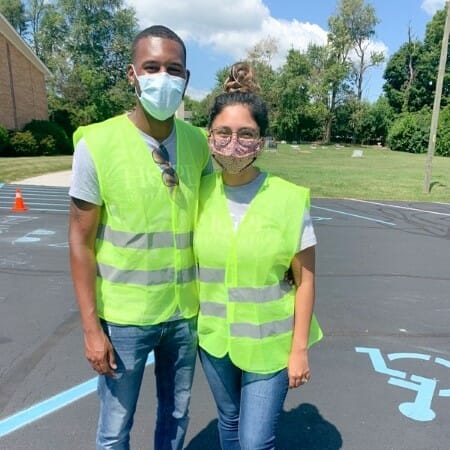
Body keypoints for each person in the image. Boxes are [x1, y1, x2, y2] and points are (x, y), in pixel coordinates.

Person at [68, 25, 212, 450]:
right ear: (132, 75)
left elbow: (215, 222)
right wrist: (91, 329)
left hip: (184, 315)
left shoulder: (198, 144)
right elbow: (80, 241)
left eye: (173, 69)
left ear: (185, 79)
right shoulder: (97, 144)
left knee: (176, 415)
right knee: (115, 426)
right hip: (124, 319)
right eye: (152, 67)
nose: (163, 77)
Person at [193, 62, 323, 450]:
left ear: (261, 142)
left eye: (246, 134)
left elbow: (306, 279)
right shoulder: (197, 194)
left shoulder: (287, 198)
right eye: (224, 133)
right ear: (209, 135)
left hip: (271, 344)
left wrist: (298, 349)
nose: (234, 144)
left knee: (253, 441)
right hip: (216, 342)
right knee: (229, 422)